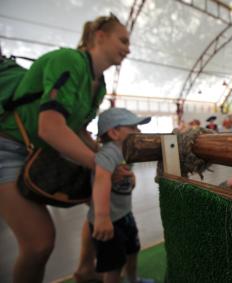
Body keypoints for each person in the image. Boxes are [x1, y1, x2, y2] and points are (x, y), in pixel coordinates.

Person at [0, 14, 131, 283]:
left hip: (38, 150)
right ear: (100, 36)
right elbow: (50, 127)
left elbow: (78, 130)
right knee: (39, 243)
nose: (128, 48)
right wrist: (101, 164)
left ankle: (85, 269)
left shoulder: (99, 85)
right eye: (123, 40)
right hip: (8, 147)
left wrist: (109, 161)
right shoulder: (69, 60)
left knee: (101, 198)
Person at [88, 108, 153, 283]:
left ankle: (133, 280)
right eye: (133, 127)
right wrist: (102, 217)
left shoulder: (126, 150)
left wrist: (131, 179)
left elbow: (122, 178)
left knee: (133, 251)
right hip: (109, 220)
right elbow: (101, 181)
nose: (139, 131)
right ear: (114, 132)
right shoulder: (108, 153)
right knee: (113, 266)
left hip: (124, 214)